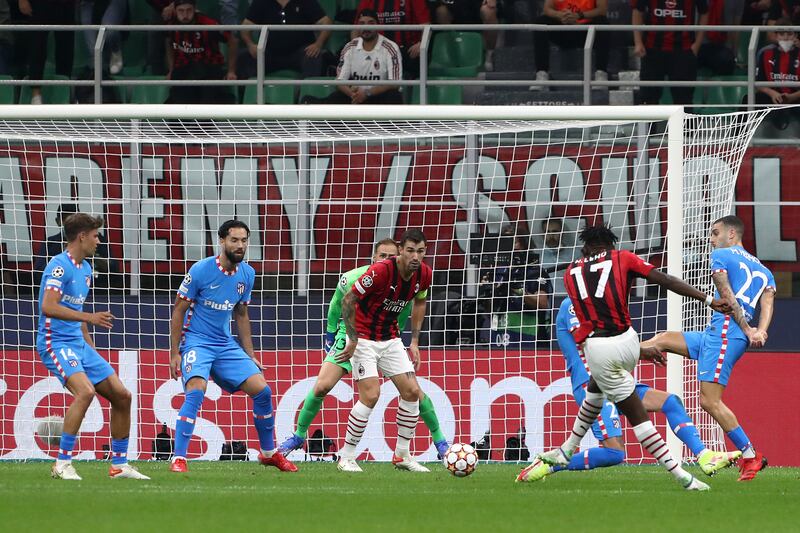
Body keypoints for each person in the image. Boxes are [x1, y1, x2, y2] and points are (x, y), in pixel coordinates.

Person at [534, 224, 732, 491]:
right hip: (622, 347)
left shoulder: (571, 274)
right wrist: (708, 300)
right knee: (619, 412)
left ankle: (690, 472)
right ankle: (685, 475)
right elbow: (665, 280)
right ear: (610, 246)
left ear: (585, 248)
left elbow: (589, 328)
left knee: (645, 412)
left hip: (603, 354)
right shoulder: (621, 257)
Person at [516, 297, 740, 482]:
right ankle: (549, 464)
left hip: (616, 379)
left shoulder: (602, 307)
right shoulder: (573, 305)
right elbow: (590, 343)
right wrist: (641, 351)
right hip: (592, 384)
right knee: (614, 453)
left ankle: (704, 455)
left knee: (670, 402)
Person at [277, 238, 449, 458]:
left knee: (414, 392)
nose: (387, 260)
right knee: (322, 386)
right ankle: (299, 436)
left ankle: (440, 442)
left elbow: (408, 309)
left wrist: (407, 340)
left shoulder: (410, 276)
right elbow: (336, 305)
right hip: (350, 333)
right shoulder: (353, 278)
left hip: (386, 337)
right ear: (373, 258)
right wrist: (331, 336)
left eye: (390, 256)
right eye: (382, 256)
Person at [640, 215, 775, 482]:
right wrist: (760, 329)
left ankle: (750, 455)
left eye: (715, 233)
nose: (711, 239)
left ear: (732, 235)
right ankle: (612, 353)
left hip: (727, 331)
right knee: (664, 339)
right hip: (719, 333)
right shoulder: (764, 269)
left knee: (708, 401)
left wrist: (747, 330)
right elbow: (768, 302)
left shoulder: (722, 256)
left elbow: (726, 295)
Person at [168, 220, 297, 473]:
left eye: (244, 240)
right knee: (196, 390)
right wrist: (174, 352)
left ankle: (269, 453)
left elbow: (241, 314)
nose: (240, 245)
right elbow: (178, 310)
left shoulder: (247, 274)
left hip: (225, 344)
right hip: (197, 342)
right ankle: (179, 458)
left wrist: (250, 356)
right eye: (234, 240)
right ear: (222, 241)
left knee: (263, 391)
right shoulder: (201, 270)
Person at [36, 213, 148, 480]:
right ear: (82, 236)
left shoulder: (86, 268)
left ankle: (119, 465)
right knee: (85, 393)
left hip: (78, 343)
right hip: (56, 342)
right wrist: (89, 318)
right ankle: (61, 463)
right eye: (96, 235)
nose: (99, 240)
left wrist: (91, 348)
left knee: (122, 396)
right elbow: (48, 307)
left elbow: (76, 310)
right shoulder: (58, 267)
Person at [334, 229, 433, 473]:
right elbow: (348, 300)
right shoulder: (380, 271)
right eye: (410, 250)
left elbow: (420, 301)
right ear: (400, 250)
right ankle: (346, 456)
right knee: (371, 395)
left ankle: (402, 455)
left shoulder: (425, 274)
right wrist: (353, 339)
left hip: (390, 338)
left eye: (420, 252)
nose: (415, 257)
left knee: (411, 392)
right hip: (363, 338)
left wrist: (415, 341)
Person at [302, 10, 403, 105]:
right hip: (356, 96)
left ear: (377, 25)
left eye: (370, 23)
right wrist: (353, 95)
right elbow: (340, 81)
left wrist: (367, 93)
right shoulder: (350, 46)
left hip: (378, 96)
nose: (366, 27)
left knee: (394, 96)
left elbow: (394, 83)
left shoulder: (390, 47)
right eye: (362, 23)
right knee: (336, 98)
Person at [480, 227, 552, 344]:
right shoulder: (496, 272)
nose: (509, 246)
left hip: (528, 337)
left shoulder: (535, 271)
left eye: (513, 242)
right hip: (498, 337)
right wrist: (487, 290)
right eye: (505, 242)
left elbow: (542, 303)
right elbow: (489, 309)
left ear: (524, 245)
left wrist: (516, 290)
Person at [633, 0, 709, 106]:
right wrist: (638, 42)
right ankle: (650, 123)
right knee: (648, 98)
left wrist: (697, 44)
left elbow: (704, 12)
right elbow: (637, 10)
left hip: (683, 51)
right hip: (652, 49)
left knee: (683, 100)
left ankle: (682, 123)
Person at [33, 204, 120, 292]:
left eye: (74, 219)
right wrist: (68, 259)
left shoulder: (95, 240)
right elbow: (38, 273)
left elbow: (115, 269)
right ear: (58, 221)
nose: (70, 223)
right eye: (65, 219)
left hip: (97, 293)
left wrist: (93, 257)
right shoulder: (51, 244)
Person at [165, 0, 237, 104]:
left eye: (189, 10)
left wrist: (231, 71)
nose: (185, 15)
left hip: (209, 67)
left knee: (208, 101)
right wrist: (171, 69)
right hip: (184, 69)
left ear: (195, 9)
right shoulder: (171, 24)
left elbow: (232, 40)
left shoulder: (208, 24)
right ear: (175, 11)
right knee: (179, 102)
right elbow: (168, 42)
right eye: (181, 11)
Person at [239, 0, 332, 80]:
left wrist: (318, 44)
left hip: (299, 52)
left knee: (314, 56)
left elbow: (326, 22)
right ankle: (253, 95)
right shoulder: (261, 2)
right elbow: (245, 26)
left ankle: (305, 96)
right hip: (269, 53)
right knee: (246, 56)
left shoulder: (305, 1)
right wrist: (250, 45)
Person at [531, 0, 610, 89]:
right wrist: (559, 15)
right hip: (563, 28)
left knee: (602, 21)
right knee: (540, 22)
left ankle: (601, 74)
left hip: (585, 30)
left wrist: (578, 15)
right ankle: (542, 74)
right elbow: (547, 8)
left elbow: (602, 10)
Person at [745, 19, 800, 130]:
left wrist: (791, 97)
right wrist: (772, 93)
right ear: (776, 36)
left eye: (789, 34)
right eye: (781, 34)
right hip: (773, 96)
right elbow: (758, 82)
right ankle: (739, 139)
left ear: (795, 35)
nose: (785, 37)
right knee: (748, 99)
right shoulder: (765, 53)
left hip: (796, 96)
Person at [18, 0, 75, 104]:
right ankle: (36, 95)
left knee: (66, 48)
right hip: (40, 4)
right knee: (37, 46)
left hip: (67, 4)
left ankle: (64, 92)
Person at [355, 0, 429, 78]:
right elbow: (356, 27)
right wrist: (357, 48)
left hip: (406, 49)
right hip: (378, 49)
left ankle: (406, 86)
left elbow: (426, 24)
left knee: (417, 57)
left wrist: (421, 43)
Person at [429, 0, 499, 71]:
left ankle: (489, 56)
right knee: (441, 12)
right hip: (453, 5)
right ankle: (452, 53)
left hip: (477, 5)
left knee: (489, 12)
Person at [80, 0, 126, 75]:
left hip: (114, 2)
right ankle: (100, 74)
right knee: (94, 50)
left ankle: (116, 51)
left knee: (109, 32)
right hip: (87, 4)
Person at [536, 218, 579, 299]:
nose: (551, 235)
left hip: (570, 299)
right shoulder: (536, 254)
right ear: (542, 234)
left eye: (555, 231)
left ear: (562, 233)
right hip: (545, 300)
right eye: (547, 232)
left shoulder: (576, 253)